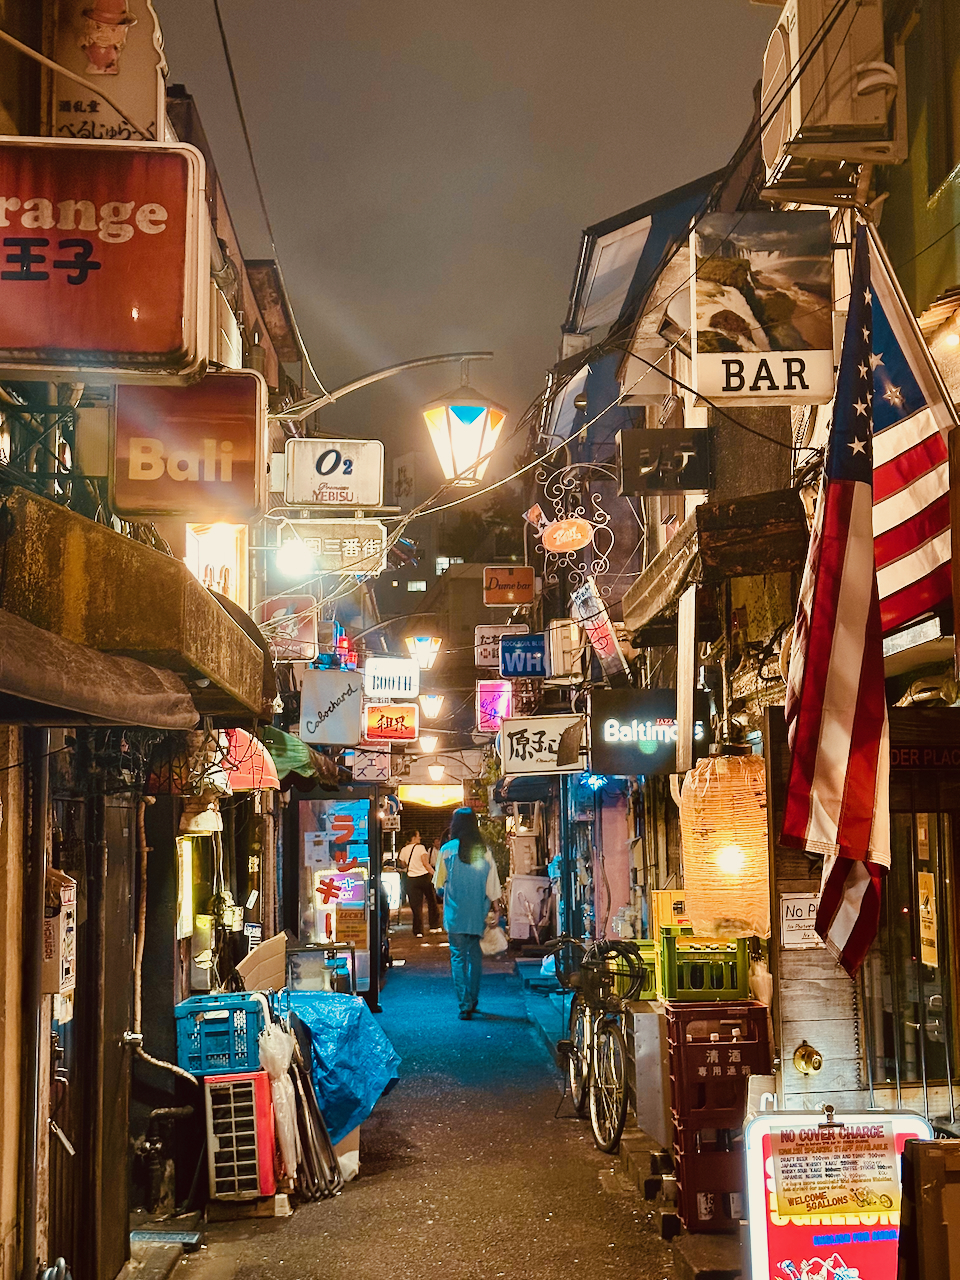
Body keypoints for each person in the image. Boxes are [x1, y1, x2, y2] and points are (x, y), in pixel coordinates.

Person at [434, 807, 502, 1019]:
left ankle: (464, 1005)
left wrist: (449, 890)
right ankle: (473, 1000)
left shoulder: (446, 850)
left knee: (457, 957)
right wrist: (497, 909)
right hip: (477, 914)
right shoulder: (484, 851)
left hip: (455, 915)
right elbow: (492, 887)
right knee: (475, 957)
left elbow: (438, 885)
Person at [399, 829, 442, 938]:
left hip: (411, 880)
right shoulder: (420, 848)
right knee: (432, 902)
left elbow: (403, 864)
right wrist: (436, 875)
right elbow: (426, 864)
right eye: (418, 836)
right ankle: (434, 926)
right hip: (424, 878)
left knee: (416, 906)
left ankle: (418, 931)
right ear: (413, 837)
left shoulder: (403, 850)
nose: (420, 838)